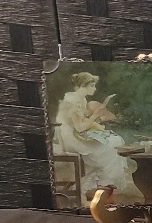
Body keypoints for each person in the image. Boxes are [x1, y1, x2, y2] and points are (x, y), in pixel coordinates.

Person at [53, 72, 134, 202]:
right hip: (71, 138)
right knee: (111, 148)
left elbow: (84, 120)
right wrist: (95, 115)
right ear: (83, 86)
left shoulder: (81, 99)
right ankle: (103, 187)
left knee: (116, 141)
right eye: (92, 85)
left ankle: (101, 186)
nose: (95, 89)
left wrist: (99, 115)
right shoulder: (73, 101)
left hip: (77, 134)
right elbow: (80, 127)